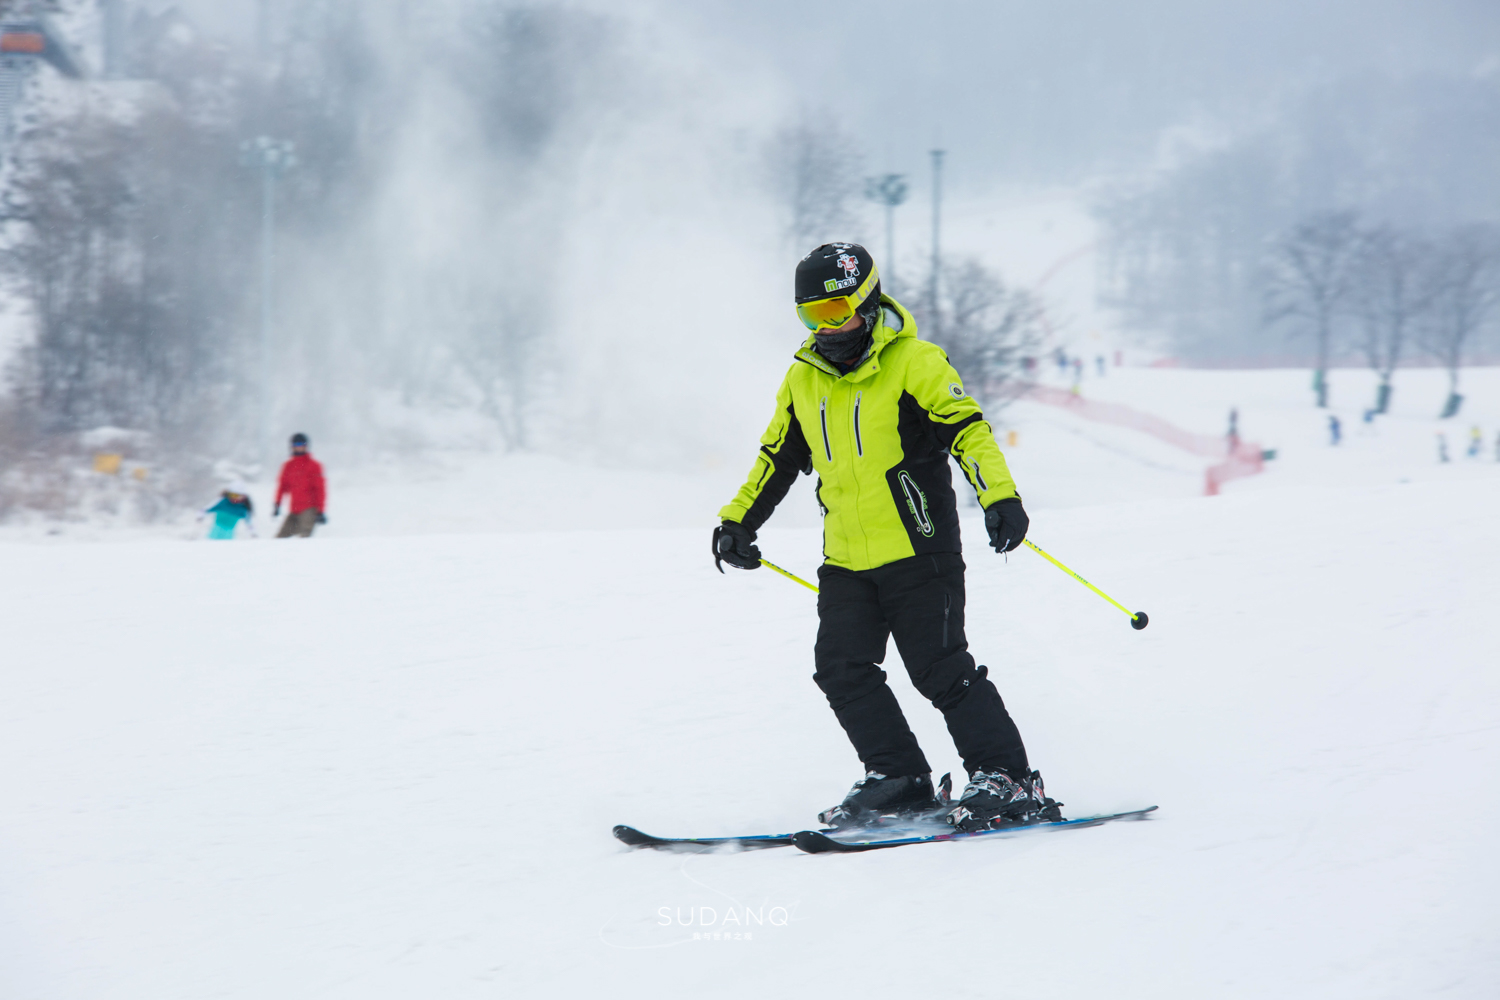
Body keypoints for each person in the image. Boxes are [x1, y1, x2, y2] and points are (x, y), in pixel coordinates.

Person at [714, 242, 1055, 834]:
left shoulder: (914, 363)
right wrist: (739, 520)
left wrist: (999, 497)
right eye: (812, 316)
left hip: (920, 550)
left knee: (939, 669)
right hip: (845, 559)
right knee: (841, 669)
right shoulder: (802, 380)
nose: (827, 327)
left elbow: (967, 432)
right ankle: (898, 777)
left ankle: (1007, 778)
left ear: (868, 302)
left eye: (838, 310)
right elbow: (777, 457)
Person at [274, 433, 327, 538]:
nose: (299, 447)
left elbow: (320, 490)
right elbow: (282, 486)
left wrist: (321, 511)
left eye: (302, 444)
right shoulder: (288, 466)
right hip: (294, 510)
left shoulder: (314, 466)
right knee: (279, 539)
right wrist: (277, 504)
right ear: (292, 447)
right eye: (296, 444)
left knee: (304, 539)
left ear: (306, 446)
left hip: (309, 509)